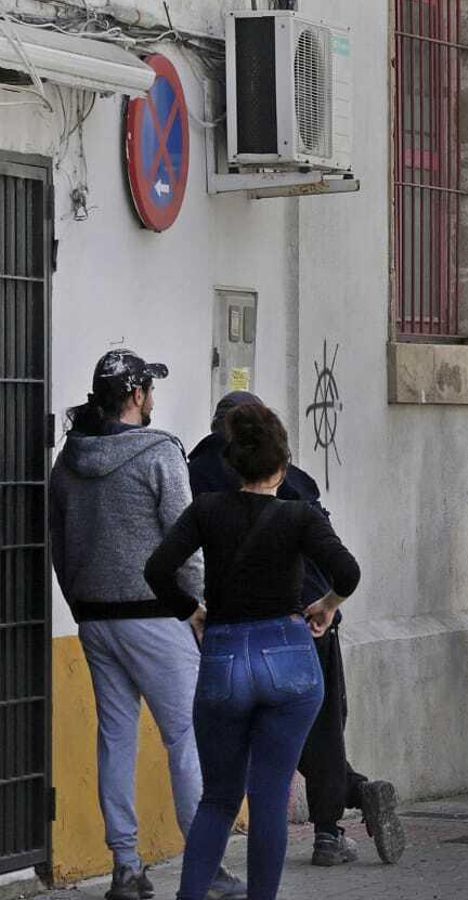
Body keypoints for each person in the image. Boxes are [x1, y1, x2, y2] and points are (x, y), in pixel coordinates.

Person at [47, 350, 246, 900]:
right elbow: (186, 543)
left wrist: (81, 605)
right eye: (149, 390)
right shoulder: (160, 454)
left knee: (115, 739)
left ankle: (126, 867)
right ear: (136, 396)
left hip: (95, 620)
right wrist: (199, 607)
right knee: (186, 736)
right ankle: (206, 865)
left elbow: (60, 548)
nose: (153, 399)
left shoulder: (68, 461)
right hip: (157, 616)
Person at [146, 403, 362, 900]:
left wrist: (193, 611)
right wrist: (326, 606)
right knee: (269, 800)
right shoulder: (299, 515)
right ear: (282, 468)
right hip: (286, 655)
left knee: (219, 799)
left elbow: (158, 569)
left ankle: (191, 895)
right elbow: (347, 572)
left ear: (233, 465)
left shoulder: (207, 510)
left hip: (223, 656)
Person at [190, 391, 404, 869]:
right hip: (304, 618)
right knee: (319, 724)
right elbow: (340, 565)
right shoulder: (290, 477)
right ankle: (334, 820)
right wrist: (327, 607)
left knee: (255, 740)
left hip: (228, 631)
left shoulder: (196, 473)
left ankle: (344, 800)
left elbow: (169, 560)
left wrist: (192, 610)